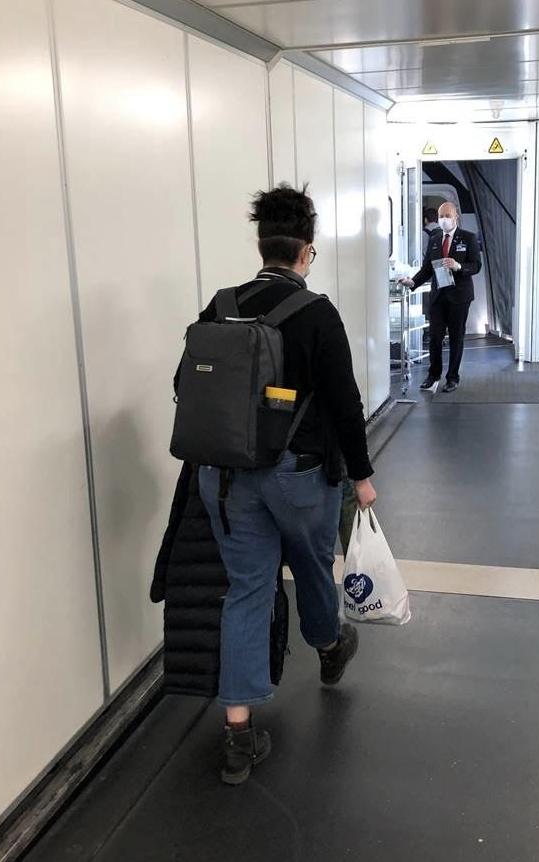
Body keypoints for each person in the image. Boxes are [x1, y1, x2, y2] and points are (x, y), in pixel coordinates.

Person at [196, 185, 377, 785]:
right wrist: (363, 474)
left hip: (222, 478)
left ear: (261, 244)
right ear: (306, 251)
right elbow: (346, 403)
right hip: (297, 479)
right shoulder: (317, 314)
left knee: (248, 589)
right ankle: (328, 646)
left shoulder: (219, 307)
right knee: (311, 566)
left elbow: (186, 389)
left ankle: (239, 734)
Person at [400, 201, 481, 393]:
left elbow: (476, 266)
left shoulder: (468, 238)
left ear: (456, 217)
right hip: (438, 295)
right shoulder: (435, 238)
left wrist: (458, 266)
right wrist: (413, 282)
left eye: (447, 216)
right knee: (435, 337)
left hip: (459, 296)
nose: (444, 220)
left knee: (456, 338)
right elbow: (427, 267)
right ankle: (433, 374)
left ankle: (452, 378)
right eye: (441, 216)